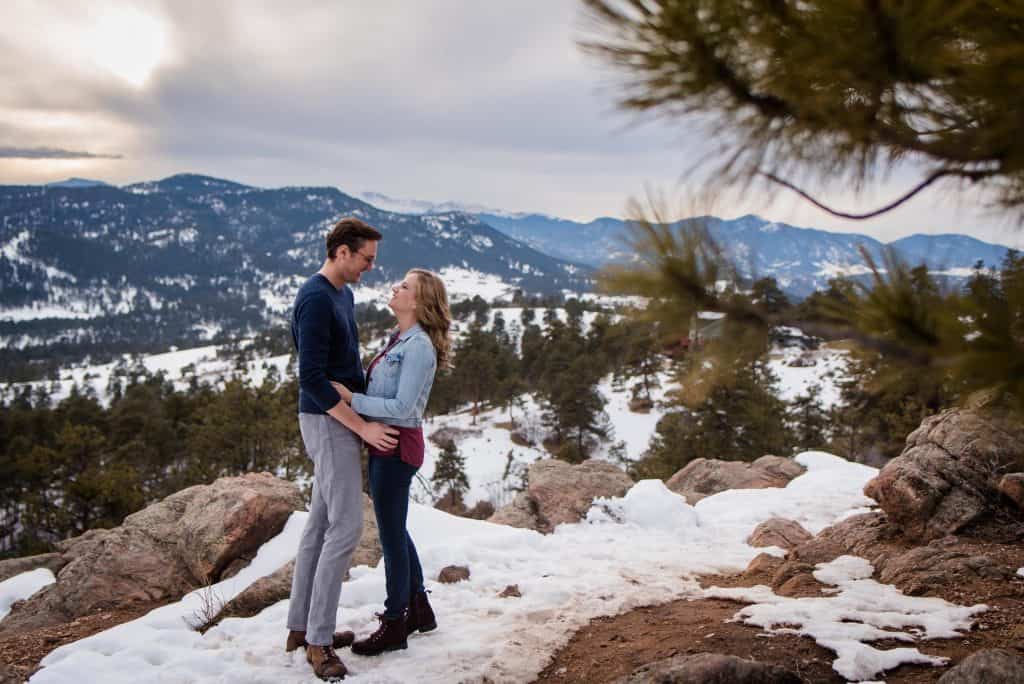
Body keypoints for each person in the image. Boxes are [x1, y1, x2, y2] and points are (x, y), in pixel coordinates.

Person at [285, 217, 399, 682]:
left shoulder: (342, 294)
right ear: (342, 252)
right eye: (367, 258)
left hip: (337, 418)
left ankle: (299, 628)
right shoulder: (315, 299)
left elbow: (343, 369)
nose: (371, 267)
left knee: (319, 525)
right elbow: (310, 379)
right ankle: (318, 642)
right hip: (325, 421)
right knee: (346, 527)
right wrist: (362, 428)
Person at [331, 268, 451, 657]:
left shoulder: (417, 347)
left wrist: (351, 400)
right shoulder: (400, 338)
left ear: (417, 301)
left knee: (390, 537)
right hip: (387, 443)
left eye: (404, 286)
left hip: (397, 446)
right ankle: (420, 610)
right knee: (395, 531)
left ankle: (395, 622)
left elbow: (402, 407)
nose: (395, 288)